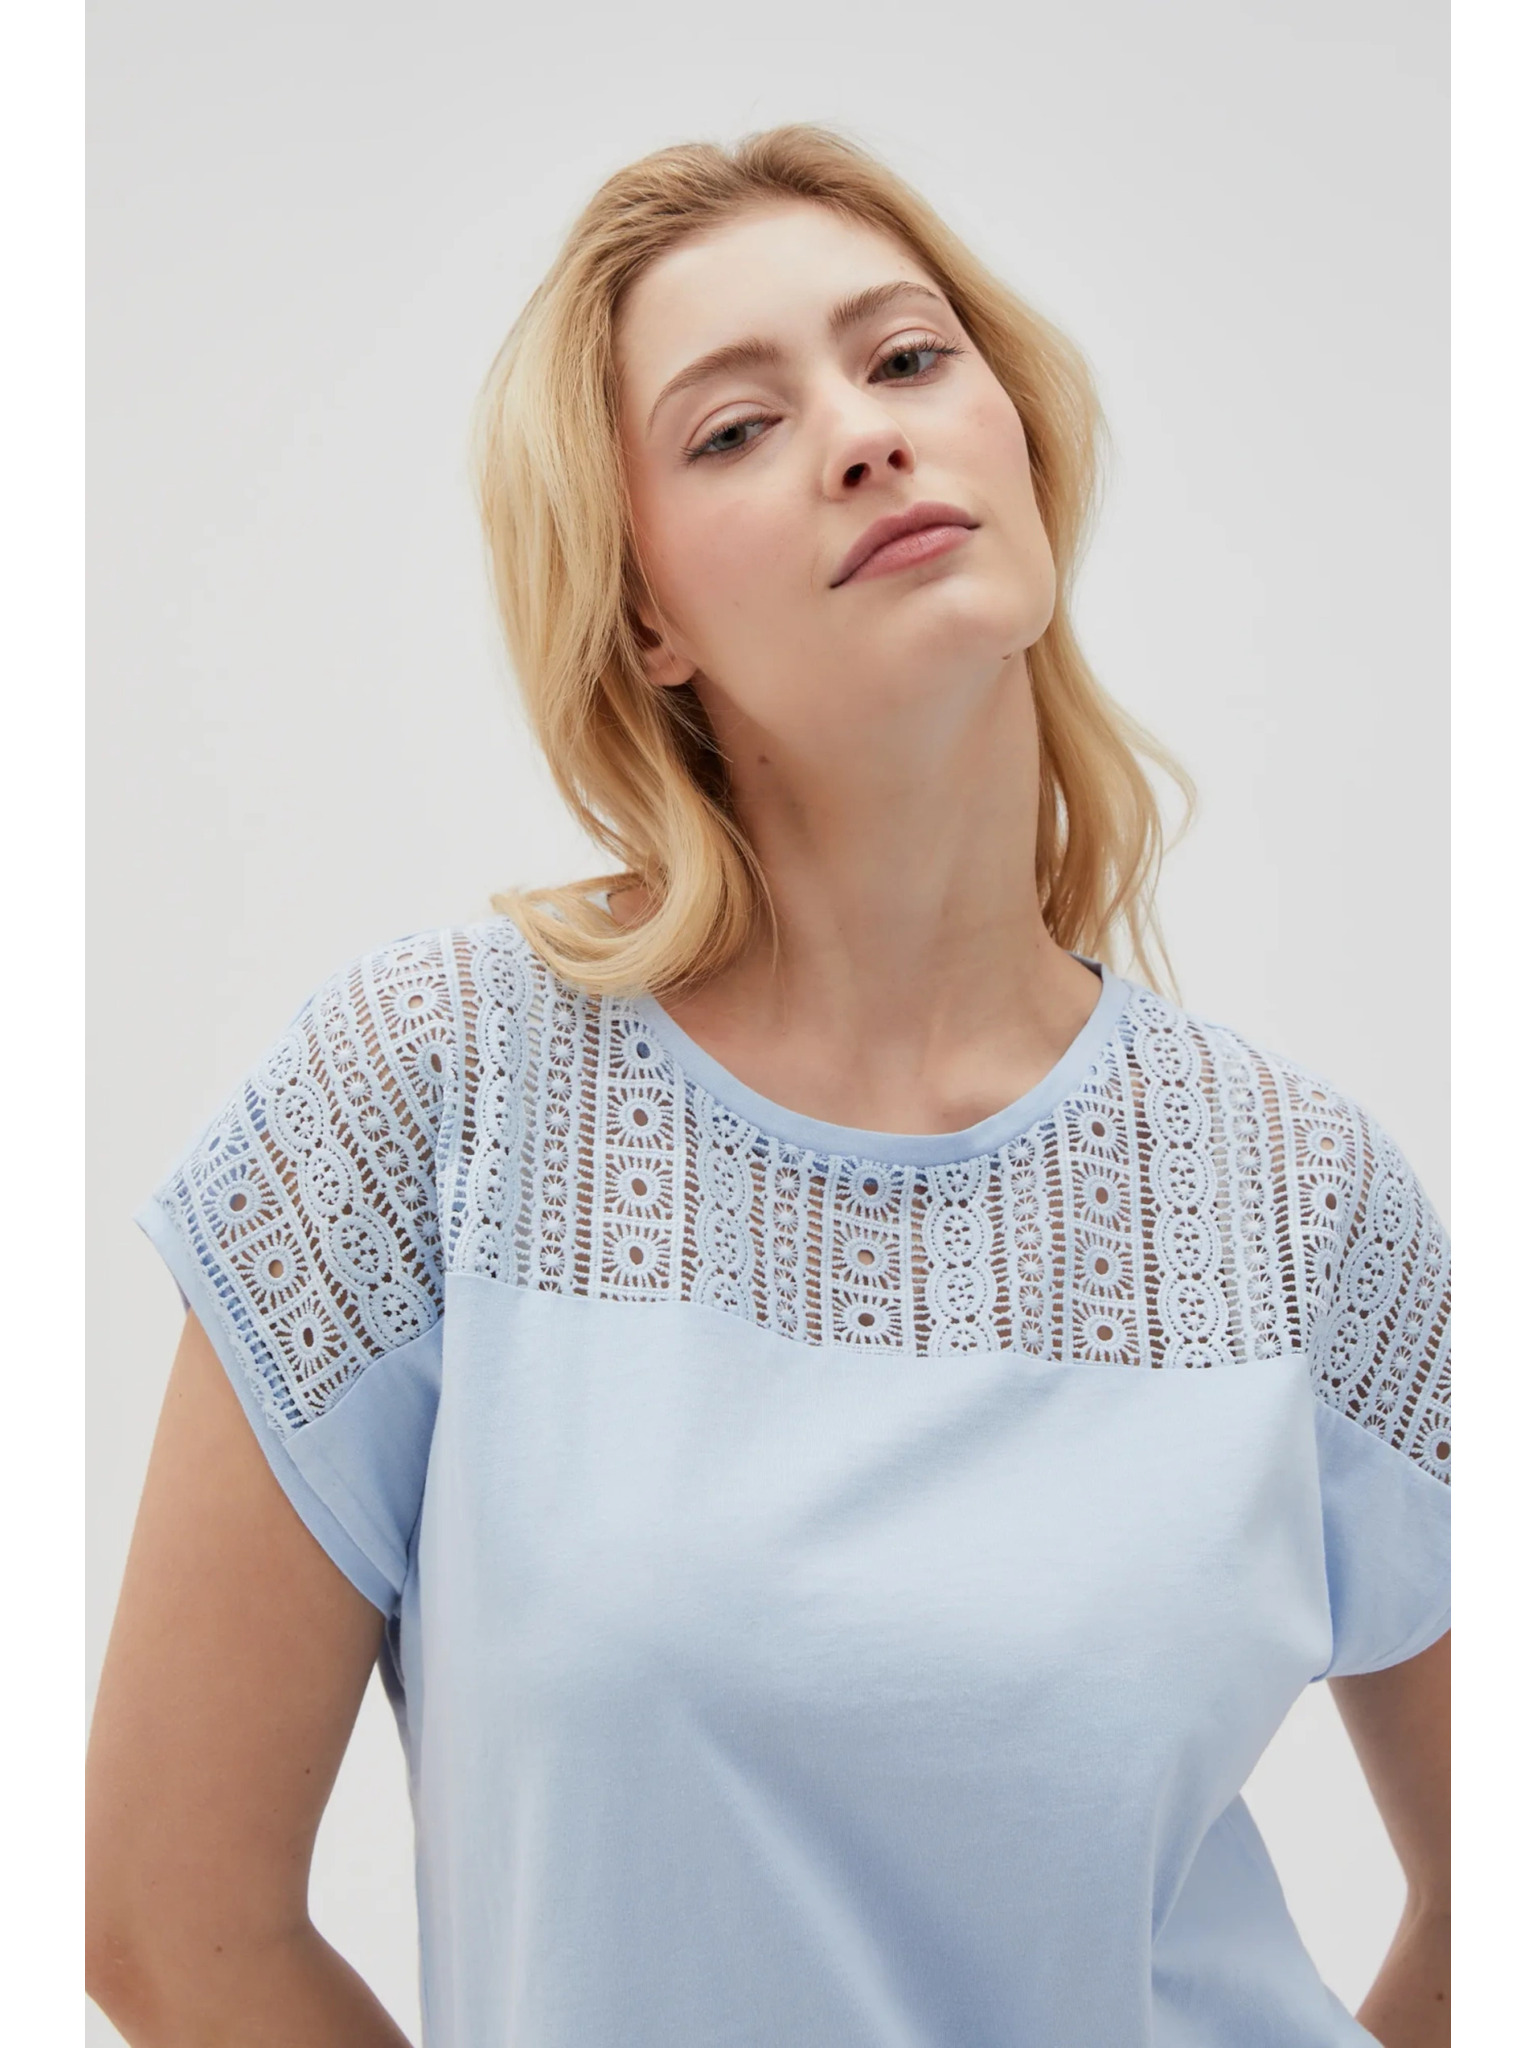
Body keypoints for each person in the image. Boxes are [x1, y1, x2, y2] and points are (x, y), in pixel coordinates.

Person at [86, 125, 1450, 2047]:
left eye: (907, 358)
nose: (866, 435)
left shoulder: (1301, 1196)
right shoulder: (429, 1099)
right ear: (644, 615)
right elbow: (171, 1923)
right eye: (734, 428)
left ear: (1019, 442)